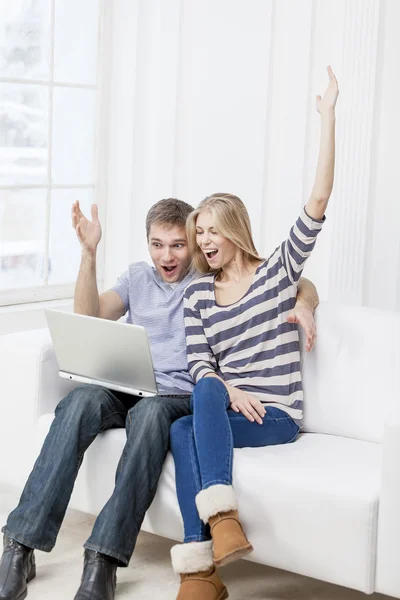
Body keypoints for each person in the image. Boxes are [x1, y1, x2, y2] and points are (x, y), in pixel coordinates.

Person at [0, 197, 318, 600]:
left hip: (175, 395)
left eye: (177, 244)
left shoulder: (206, 280)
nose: (167, 255)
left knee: (151, 416)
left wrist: (305, 299)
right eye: (157, 244)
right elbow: (89, 316)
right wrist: (88, 253)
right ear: (147, 245)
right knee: (79, 402)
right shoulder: (136, 278)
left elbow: (293, 279)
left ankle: (103, 558)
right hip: (124, 385)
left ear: (192, 242)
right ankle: (19, 547)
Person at [169, 65, 339, 600]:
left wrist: (328, 117)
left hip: (275, 416)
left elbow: (317, 200)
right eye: (199, 232)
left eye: (211, 228)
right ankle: (207, 560)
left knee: (195, 415)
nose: (204, 239)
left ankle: (212, 544)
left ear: (235, 230)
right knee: (183, 424)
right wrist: (226, 390)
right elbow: (200, 364)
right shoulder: (197, 294)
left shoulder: (276, 274)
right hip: (229, 406)